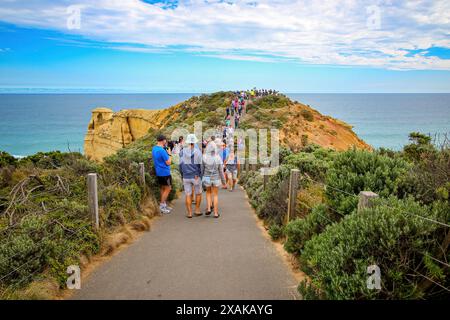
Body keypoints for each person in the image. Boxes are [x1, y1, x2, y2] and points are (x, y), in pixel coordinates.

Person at [179, 134, 203, 218]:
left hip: (186, 176)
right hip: (196, 176)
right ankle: (197, 210)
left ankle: (189, 213)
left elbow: (180, 164)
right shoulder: (198, 152)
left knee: (188, 194)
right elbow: (201, 165)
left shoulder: (182, 151)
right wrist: (200, 175)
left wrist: (182, 174)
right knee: (198, 194)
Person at [201, 142, 226, 218]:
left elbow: (202, 169)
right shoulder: (218, 157)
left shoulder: (204, 157)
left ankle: (208, 208)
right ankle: (215, 213)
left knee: (208, 193)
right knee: (215, 195)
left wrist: (202, 178)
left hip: (206, 177)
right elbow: (221, 171)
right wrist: (223, 181)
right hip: (216, 178)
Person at [152, 134, 173, 214]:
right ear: (163, 140)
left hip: (159, 171)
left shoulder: (154, 148)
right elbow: (168, 162)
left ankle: (163, 204)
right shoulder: (162, 151)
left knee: (163, 188)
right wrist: (169, 154)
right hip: (165, 172)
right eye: (165, 140)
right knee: (168, 188)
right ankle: (162, 206)